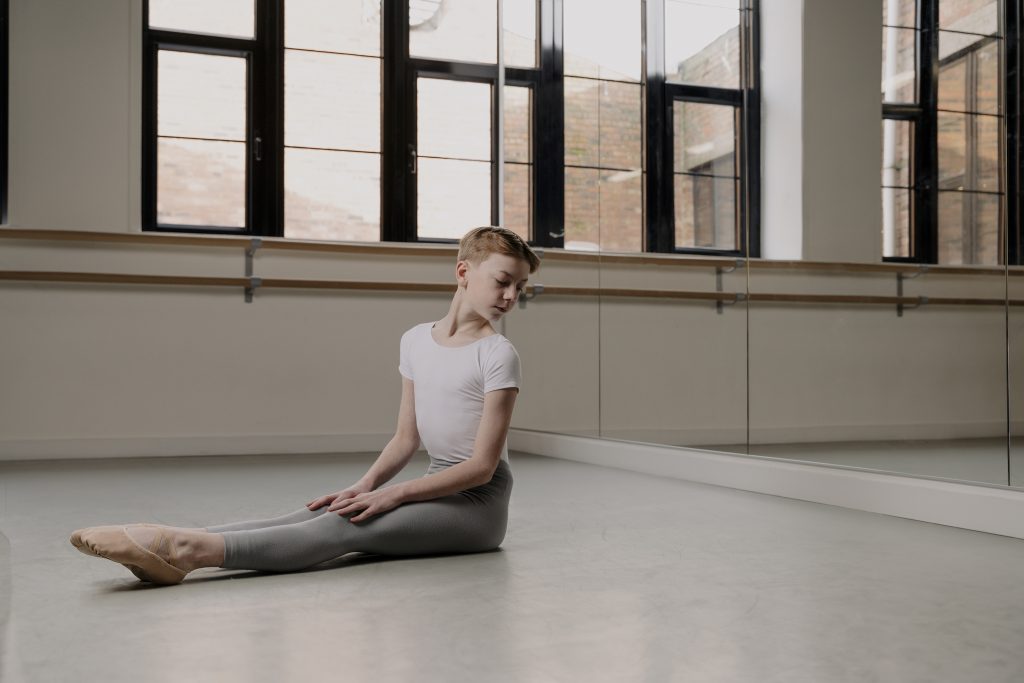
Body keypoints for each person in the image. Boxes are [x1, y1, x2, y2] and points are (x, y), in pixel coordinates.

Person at [70, 226, 541, 585]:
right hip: (435, 486)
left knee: (350, 529)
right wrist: (363, 485)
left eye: (519, 288)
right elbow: (405, 438)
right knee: (324, 511)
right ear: (463, 271)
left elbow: (481, 468)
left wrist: (394, 494)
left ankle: (186, 551)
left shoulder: (497, 353)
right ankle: (171, 539)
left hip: (477, 507)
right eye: (503, 281)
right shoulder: (416, 340)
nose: (511, 297)